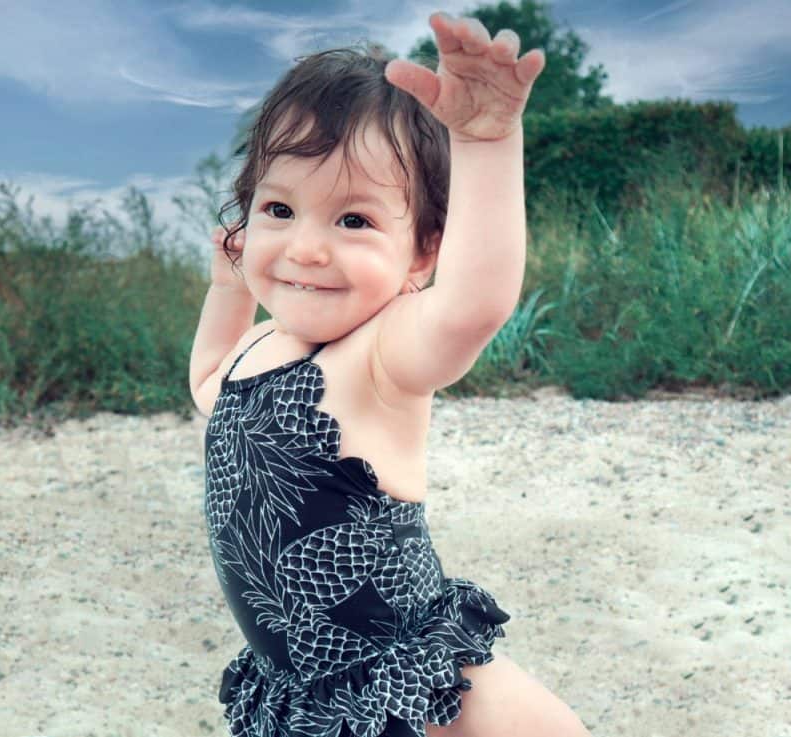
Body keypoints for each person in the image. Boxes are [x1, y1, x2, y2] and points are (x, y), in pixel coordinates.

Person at [188, 11, 589, 737]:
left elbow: (473, 306)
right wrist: (228, 288)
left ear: (422, 254)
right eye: (279, 208)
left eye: (353, 221)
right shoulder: (257, 350)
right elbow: (208, 381)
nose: (306, 248)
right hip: (304, 690)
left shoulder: (382, 355)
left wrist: (485, 143)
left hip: (401, 677)